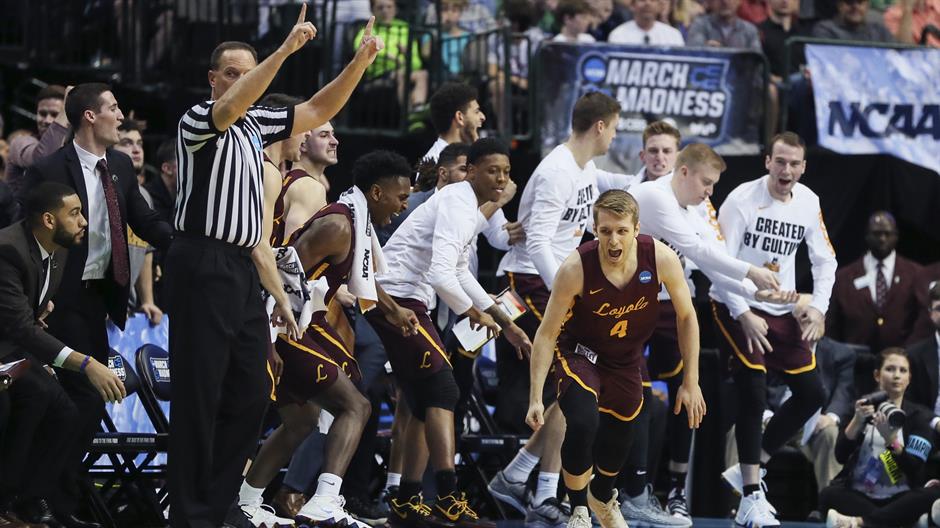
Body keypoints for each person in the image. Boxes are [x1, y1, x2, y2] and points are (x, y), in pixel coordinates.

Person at [165, 6, 384, 526]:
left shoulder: (257, 126)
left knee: (248, 393)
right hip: (201, 262)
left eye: (249, 70)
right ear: (214, 80)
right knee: (201, 394)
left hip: (243, 268)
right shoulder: (200, 120)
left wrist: (359, 63)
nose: (242, 81)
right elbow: (238, 102)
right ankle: (189, 512)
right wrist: (284, 51)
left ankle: (220, 505)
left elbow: (314, 108)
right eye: (233, 73)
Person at [236, 150, 418, 528]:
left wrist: (394, 310)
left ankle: (246, 503)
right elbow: (280, 276)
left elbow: (360, 280)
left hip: (303, 320)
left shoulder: (357, 220)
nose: (403, 206)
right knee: (356, 406)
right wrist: (268, 341)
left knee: (302, 420)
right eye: (401, 197)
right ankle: (325, 502)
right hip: (283, 321)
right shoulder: (338, 225)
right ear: (377, 192)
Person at [26, 83, 173, 528]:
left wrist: (183, 243)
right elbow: (29, 232)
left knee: (86, 402)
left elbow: (143, 221)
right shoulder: (51, 166)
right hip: (60, 299)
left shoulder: (123, 167)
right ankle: (44, 497)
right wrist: (34, 295)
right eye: (112, 108)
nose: (120, 115)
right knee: (81, 398)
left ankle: (54, 498)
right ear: (89, 116)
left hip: (99, 298)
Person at [624, 143, 793, 525]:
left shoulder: (696, 206)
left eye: (714, 185)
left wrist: (754, 295)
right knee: (629, 399)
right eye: (706, 183)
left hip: (664, 304)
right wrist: (751, 274)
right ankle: (618, 493)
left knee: (690, 390)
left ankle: (671, 491)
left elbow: (714, 258)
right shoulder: (654, 195)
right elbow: (698, 250)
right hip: (620, 306)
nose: (709, 192)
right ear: (683, 172)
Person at [488, 92, 633, 527]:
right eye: (616, 127)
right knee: (573, 388)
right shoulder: (555, 173)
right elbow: (536, 241)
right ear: (601, 127)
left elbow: (611, 182)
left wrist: (656, 177)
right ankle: (541, 490)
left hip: (551, 283)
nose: (617, 135)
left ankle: (522, 480)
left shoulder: (583, 166)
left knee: (576, 389)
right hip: (529, 281)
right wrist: (565, 296)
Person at [369, 138, 531, 526]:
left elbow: (457, 271)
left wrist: (505, 322)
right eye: (493, 170)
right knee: (443, 390)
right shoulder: (459, 203)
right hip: (396, 299)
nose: (501, 178)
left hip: (410, 299)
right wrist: (474, 312)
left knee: (428, 399)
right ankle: (445, 497)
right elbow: (443, 274)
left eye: (506, 172)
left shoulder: (467, 206)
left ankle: (407, 502)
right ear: (471, 171)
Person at [525, 190, 707, 528]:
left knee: (625, 432)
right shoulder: (575, 267)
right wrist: (536, 396)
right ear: (595, 231)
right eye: (605, 230)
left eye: (622, 230)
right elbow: (547, 333)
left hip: (625, 359)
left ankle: (602, 496)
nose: (613, 239)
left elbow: (686, 317)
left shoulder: (661, 258)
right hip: (579, 353)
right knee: (582, 421)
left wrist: (690, 381)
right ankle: (579, 509)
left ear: (637, 229)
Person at [711, 132, 837, 527]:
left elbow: (825, 262)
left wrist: (816, 308)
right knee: (752, 389)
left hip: (782, 308)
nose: (786, 170)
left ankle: (753, 465)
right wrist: (744, 312)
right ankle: (750, 496)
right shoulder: (741, 200)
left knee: (812, 393)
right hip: (735, 302)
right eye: (779, 161)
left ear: (803, 167)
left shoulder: (809, 201)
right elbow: (717, 263)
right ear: (767, 161)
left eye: (793, 163)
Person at [0, 183, 125, 528]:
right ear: (48, 219)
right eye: (74, 213)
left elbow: (27, 317)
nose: (84, 221)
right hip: (7, 351)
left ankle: (31, 499)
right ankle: (7, 500)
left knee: (67, 411)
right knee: (35, 398)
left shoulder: (59, 249)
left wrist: (36, 309)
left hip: (13, 353)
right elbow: (22, 328)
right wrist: (86, 363)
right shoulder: (8, 250)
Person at [724, 332, 857, 493]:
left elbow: (844, 392)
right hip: (773, 418)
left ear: (823, 321)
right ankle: (738, 500)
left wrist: (831, 417)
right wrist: (765, 415)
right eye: (804, 318)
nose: (809, 324)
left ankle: (828, 504)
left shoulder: (841, 354)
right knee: (740, 429)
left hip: (813, 427)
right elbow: (754, 385)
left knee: (830, 433)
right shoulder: (774, 344)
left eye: (815, 318)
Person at [821, 348, 940, 528]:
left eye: (903, 371)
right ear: (877, 375)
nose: (897, 376)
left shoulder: (919, 416)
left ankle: (860, 523)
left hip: (901, 496)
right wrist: (857, 421)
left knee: (932, 495)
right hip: (860, 494)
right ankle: (902, 521)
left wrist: (891, 441)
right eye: (890, 369)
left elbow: (914, 468)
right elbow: (840, 456)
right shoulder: (860, 408)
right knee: (828, 494)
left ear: (909, 378)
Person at [827, 212, 922, 355]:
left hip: (902, 362)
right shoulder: (844, 277)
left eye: (887, 234)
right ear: (867, 236)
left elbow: (922, 320)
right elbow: (833, 324)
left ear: (896, 236)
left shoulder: (915, 274)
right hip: (855, 361)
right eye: (877, 234)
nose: (882, 239)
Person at [113, 119, 162, 324]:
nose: (136, 150)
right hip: (99, 306)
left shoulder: (144, 195)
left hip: (129, 308)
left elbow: (145, 251)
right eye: (126, 143)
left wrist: (148, 300)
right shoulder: (103, 189)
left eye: (139, 143)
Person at [5, 85, 69, 204]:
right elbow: (42, 160)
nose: (47, 120)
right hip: (22, 220)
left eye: (55, 115)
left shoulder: (74, 149)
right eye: (42, 114)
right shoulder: (21, 142)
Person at [905, 283, 940, 414]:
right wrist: (935, 422)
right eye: (939, 308)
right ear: (930, 313)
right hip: (930, 427)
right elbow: (908, 401)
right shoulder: (913, 355)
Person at [686, 0, 762, 50]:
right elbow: (692, 54)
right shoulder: (700, 25)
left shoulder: (750, 31)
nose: (725, 1)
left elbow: (756, 64)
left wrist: (721, 53)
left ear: (739, 1)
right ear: (711, 2)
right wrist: (705, 50)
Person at [811, 0, 897, 41]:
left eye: (860, 2)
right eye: (849, 2)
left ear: (867, 6)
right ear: (839, 6)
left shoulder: (879, 31)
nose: (855, 7)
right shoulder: (825, 30)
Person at [608, 0, 685, 45]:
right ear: (632, 5)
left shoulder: (673, 35)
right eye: (642, 0)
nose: (647, 3)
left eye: (653, 0)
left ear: (659, 6)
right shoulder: (618, 35)